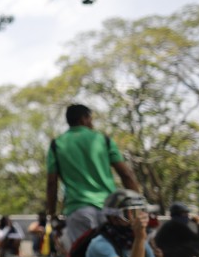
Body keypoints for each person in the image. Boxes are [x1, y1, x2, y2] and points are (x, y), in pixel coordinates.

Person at [47, 104, 140, 248]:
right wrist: (137, 205)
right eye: (91, 119)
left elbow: (52, 183)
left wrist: (52, 213)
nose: (92, 123)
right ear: (83, 119)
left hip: (77, 210)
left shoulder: (57, 144)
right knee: (113, 256)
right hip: (109, 210)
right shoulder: (103, 140)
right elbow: (126, 174)